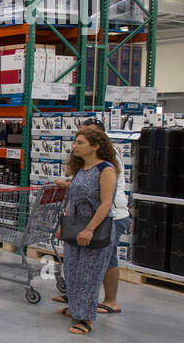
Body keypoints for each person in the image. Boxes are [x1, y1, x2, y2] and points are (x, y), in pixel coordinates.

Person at [53, 119, 128, 315]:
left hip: (104, 220)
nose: (75, 145)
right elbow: (76, 196)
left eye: (82, 140)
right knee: (75, 268)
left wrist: (90, 229)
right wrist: (65, 223)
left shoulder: (107, 166)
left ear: (97, 143)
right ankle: (77, 305)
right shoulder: (82, 167)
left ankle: (104, 304)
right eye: (76, 139)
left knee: (97, 267)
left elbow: (105, 202)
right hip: (79, 222)